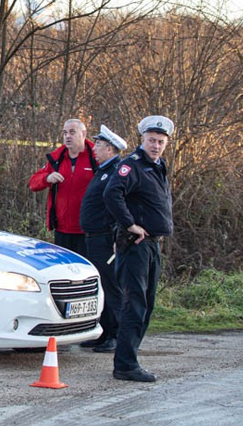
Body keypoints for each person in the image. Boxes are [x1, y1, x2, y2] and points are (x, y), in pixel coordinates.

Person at [104, 115, 174, 382]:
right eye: (151, 141)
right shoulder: (131, 165)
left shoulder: (159, 166)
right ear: (142, 140)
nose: (155, 146)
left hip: (152, 245)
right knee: (134, 304)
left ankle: (129, 357)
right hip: (135, 245)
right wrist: (129, 224)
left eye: (160, 142)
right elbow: (112, 194)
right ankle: (125, 365)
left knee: (147, 303)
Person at [78, 125, 127, 353]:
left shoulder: (115, 171)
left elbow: (117, 205)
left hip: (105, 238)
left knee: (110, 286)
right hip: (94, 237)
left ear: (110, 148)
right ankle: (103, 332)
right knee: (101, 286)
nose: (94, 148)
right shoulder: (103, 170)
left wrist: (117, 236)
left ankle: (114, 334)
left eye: (98, 145)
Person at [29, 119, 97, 257]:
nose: (67, 136)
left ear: (83, 134)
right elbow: (33, 183)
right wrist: (47, 178)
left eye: (72, 132)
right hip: (62, 229)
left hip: (88, 230)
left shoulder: (95, 157)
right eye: (65, 133)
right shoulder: (57, 159)